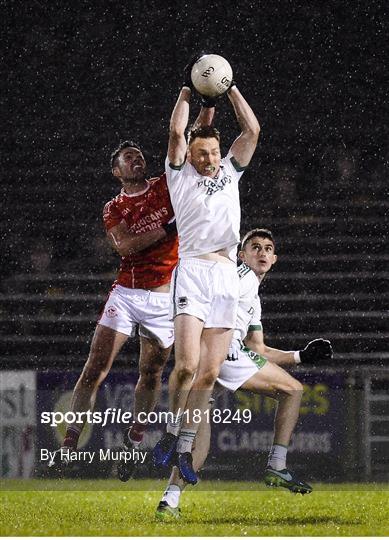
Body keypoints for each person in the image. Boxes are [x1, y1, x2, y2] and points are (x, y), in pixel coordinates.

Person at [155, 228, 333, 520]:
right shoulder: (241, 278)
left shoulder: (252, 294)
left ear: (274, 259)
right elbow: (210, 315)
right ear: (241, 255)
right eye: (255, 247)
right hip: (223, 354)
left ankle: (169, 502)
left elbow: (258, 349)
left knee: (200, 446)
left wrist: (300, 355)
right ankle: (277, 466)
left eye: (268, 248)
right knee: (293, 391)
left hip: (223, 356)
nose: (262, 252)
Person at [153, 56, 261, 485]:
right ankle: (168, 435)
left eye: (214, 151)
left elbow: (251, 131)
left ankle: (181, 447)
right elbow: (177, 132)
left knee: (211, 374)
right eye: (202, 153)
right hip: (193, 271)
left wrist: (229, 87)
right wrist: (186, 89)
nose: (210, 158)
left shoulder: (230, 172)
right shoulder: (179, 178)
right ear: (191, 156)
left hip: (226, 275)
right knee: (185, 367)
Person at [48, 140, 179, 477]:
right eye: (128, 158)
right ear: (117, 171)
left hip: (165, 297)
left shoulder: (164, 185)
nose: (137, 160)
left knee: (151, 374)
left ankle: (133, 443)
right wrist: (166, 229)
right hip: (126, 294)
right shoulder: (115, 207)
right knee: (95, 368)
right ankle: (69, 444)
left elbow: (180, 148)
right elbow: (125, 246)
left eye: (139, 156)